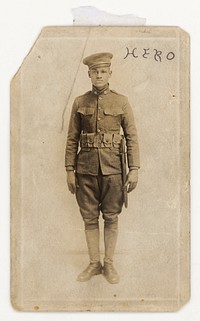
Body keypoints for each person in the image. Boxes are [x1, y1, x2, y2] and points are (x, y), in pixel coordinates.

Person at [65, 52, 140, 284]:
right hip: (85, 170)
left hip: (113, 171)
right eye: (95, 71)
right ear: (89, 74)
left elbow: (131, 137)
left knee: (111, 217)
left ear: (109, 73)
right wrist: (69, 169)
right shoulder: (80, 102)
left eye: (103, 71)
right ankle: (94, 263)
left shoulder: (121, 101)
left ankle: (108, 264)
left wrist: (134, 167)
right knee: (89, 218)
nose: (99, 75)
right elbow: (71, 139)